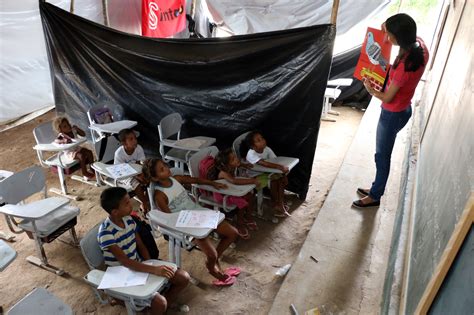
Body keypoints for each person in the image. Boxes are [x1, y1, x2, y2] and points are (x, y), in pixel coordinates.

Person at [353, 13, 429, 208]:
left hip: (392, 114)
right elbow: (388, 28)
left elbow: (387, 97)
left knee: (382, 155)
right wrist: (387, 27)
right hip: (404, 109)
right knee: (383, 154)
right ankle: (376, 187)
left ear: (399, 37)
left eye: (389, 35)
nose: (386, 38)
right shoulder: (420, 47)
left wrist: (371, 90)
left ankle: (375, 195)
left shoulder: (404, 67)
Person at [142, 158, 241, 287]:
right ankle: (212, 269)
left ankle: (213, 261)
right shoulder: (160, 196)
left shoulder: (176, 179)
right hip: (187, 226)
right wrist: (190, 226)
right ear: (155, 178)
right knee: (211, 254)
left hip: (199, 213)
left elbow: (195, 180)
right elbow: (169, 220)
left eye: (165, 166)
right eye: (162, 170)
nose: (166, 169)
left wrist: (212, 183)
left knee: (233, 233)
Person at [98, 187, 190, 315]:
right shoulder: (106, 233)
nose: (131, 205)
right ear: (115, 212)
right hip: (122, 274)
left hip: (137, 265)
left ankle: (155, 309)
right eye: (127, 203)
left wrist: (149, 263)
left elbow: (140, 244)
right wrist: (154, 270)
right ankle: (153, 307)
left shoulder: (129, 220)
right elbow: (125, 262)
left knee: (183, 278)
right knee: (160, 303)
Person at [210, 148, 259, 239]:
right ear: (225, 165)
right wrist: (252, 180)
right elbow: (234, 181)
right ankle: (239, 224)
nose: (236, 159)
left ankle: (248, 218)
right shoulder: (223, 173)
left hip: (231, 191)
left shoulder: (232, 166)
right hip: (222, 195)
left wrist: (245, 165)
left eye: (235, 157)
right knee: (243, 202)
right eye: (233, 159)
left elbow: (239, 164)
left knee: (251, 195)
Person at [242, 131, 290, 217]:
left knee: (281, 178)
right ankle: (276, 204)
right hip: (254, 177)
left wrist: (283, 173)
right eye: (258, 140)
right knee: (274, 181)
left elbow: (275, 160)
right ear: (253, 146)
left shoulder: (267, 149)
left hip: (265, 173)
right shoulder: (251, 154)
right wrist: (280, 167)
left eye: (262, 138)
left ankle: (280, 203)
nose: (263, 141)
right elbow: (264, 164)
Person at [114, 129, 150, 212]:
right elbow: (121, 171)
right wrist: (136, 177)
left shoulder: (138, 148)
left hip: (137, 172)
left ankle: (148, 200)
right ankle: (144, 203)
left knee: (149, 179)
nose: (134, 141)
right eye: (131, 139)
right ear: (124, 143)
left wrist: (140, 175)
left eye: (135, 138)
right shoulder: (119, 153)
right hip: (124, 175)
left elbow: (140, 164)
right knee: (136, 183)